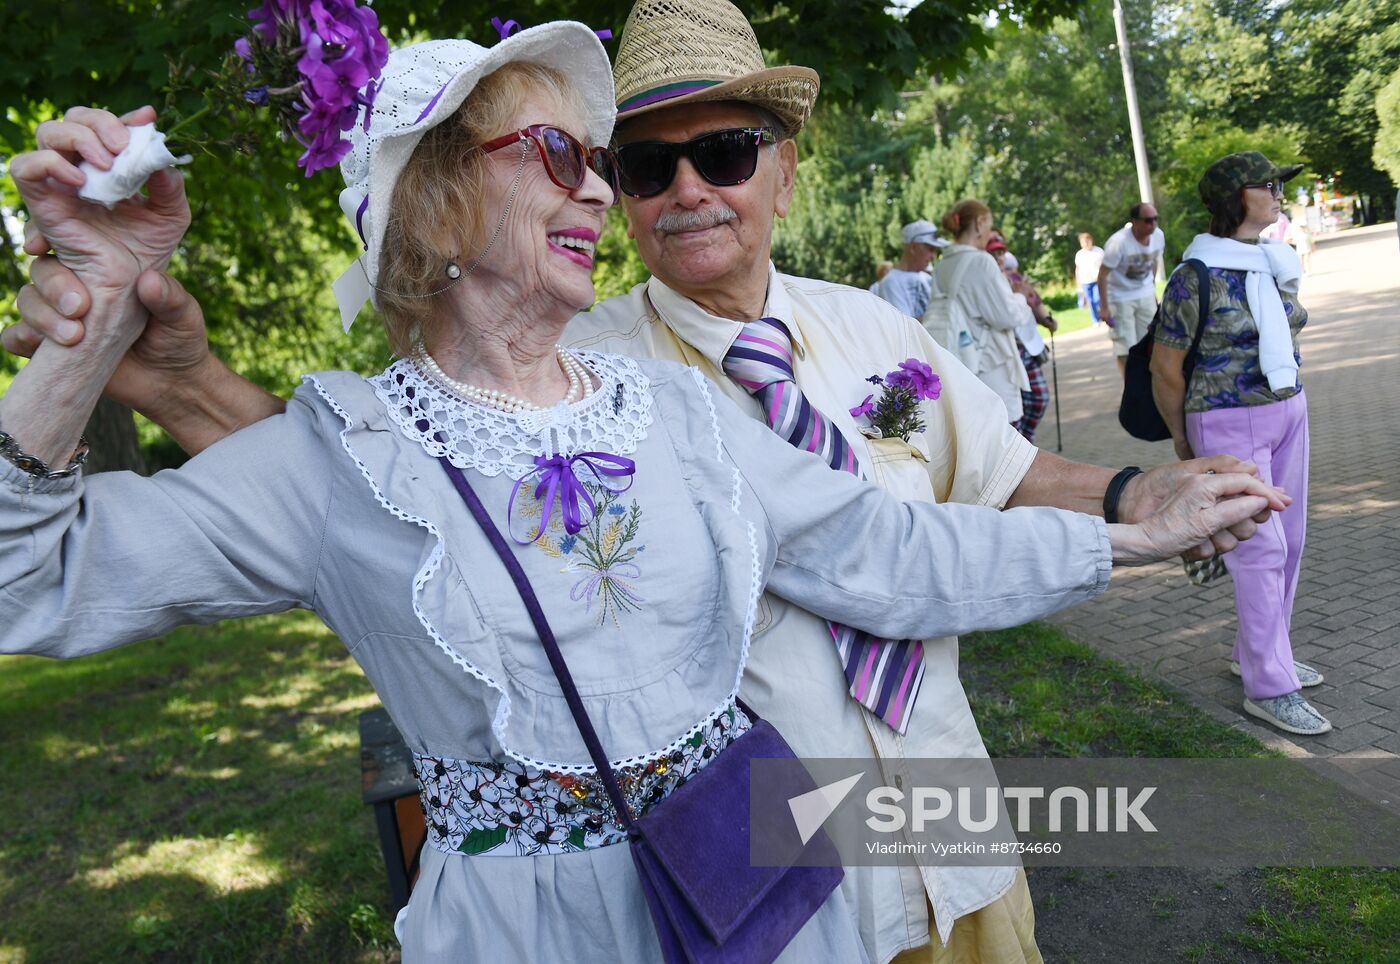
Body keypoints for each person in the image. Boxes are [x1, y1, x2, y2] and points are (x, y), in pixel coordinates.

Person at [6, 2, 1278, 959]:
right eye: (572, 155)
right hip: (535, 923)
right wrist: (96, 308)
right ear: (438, 200)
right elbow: (36, 580)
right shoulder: (348, 450)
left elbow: (881, 549)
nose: (618, 188)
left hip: (779, 859)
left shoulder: (679, 401)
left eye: (702, 153)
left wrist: (1126, 528)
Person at [1150, 150, 1328, 737]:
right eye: (1269, 184)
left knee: (1292, 538)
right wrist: (1182, 439)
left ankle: (1258, 651)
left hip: (1287, 408)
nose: (1279, 193)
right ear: (1236, 197)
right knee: (1261, 549)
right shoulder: (1194, 274)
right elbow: (1166, 368)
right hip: (1228, 421)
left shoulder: (1269, 259)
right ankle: (1269, 688)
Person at [930, 199, 1033, 425]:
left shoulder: (942, 265)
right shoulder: (981, 261)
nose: (989, 233)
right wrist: (1021, 297)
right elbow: (1006, 316)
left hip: (961, 362)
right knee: (1004, 437)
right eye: (988, 225)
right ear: (979, 223)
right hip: (990, 363)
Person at [988, 239, 1057, 443]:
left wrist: (1046, 319)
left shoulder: (1015, 277)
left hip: (1025, 346)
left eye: (1001, 252)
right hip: (1003, 349)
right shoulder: (988, 281)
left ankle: (1025, 442)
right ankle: (1020, 448)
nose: (999, 257)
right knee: (1013, 404)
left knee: (1038, 397)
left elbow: (1034, 301)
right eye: (994, 253)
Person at [1098, 202, 1165, 378]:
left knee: (1150, 343)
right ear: (1135, 222)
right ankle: (1130, 389)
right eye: (1148, 220)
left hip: (1145, 294)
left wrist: (1151, 288)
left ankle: (1148, 386)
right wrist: (1104, 307)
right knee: (1125, 347)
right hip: (1119, 297)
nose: (1153, 224)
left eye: (1156, 219)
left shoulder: (1158, 236)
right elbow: (1102, 275)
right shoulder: (1118, 243)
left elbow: (1155, 261)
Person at [871, 220, 949, 318]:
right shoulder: (891, 283)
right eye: (930, 249)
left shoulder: (927, 278)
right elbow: (905, 328)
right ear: (913, 247)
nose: (933, 256)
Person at [1073, 231, 1104, 322]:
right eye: (1083, 242)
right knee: (1090, 301)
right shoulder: (1079, 254)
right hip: (1085, 281)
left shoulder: (1098, 251)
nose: (1086, 243)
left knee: (1097, 299)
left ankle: (1102, 314)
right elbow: (1078, 269)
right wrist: (1078, 284)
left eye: (1087, 241)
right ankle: (1095, 320)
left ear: (1091, 240)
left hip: (1098, 280)